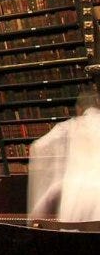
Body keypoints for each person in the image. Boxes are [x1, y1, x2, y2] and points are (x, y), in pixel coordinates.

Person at [28, 86, 100, 222]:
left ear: (79, 109)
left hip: (76, 203)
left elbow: (38, 146)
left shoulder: (68, 128)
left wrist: (36, 212)